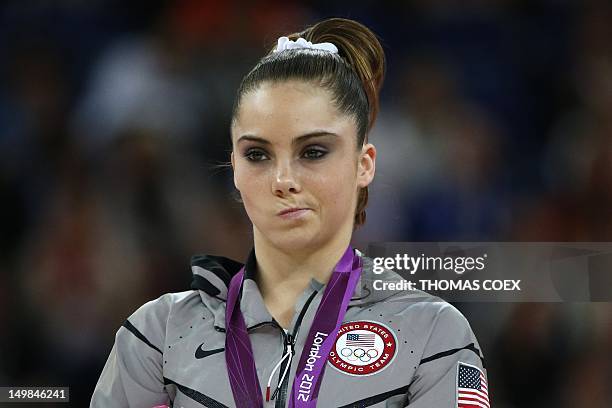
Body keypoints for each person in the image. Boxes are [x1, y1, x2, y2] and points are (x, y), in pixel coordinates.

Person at [90, 17, 488, 408]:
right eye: (257, 154)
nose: (283, 179)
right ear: (235, 171)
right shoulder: (156, 336)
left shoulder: (434, 335)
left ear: (363, 164)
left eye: (313, 152)